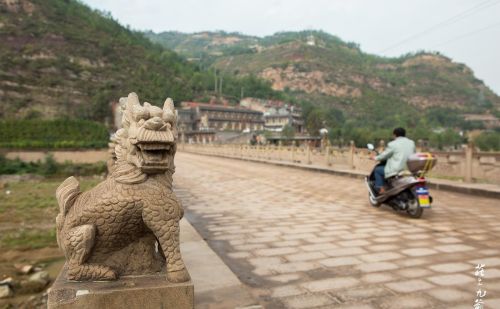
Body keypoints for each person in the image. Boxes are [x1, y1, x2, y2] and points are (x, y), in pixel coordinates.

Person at [370, 127, 416, 194]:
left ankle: (381, 189)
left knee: (377, 170)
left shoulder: (392, 144)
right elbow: (414, 154)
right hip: (409, 170)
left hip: (397, 170)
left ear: (394, 135)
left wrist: (375, 158)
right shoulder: (412, 143)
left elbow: (384, 155)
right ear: (404, 134)